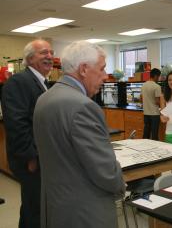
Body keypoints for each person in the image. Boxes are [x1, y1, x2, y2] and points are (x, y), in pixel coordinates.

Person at [33, 41, 125, 228]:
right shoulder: (83, 106)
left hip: (56, 206)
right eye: (102, 69)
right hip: (86, 212)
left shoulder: (44, 98)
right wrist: (121, 185)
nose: (105, 76)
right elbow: (106, 172)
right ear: (84, 69)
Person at [1, 39, 53, 228]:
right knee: (34, 210)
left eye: (51, 52)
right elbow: (16, 124)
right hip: (32, 161)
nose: (49, 57)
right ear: (30, 58)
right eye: (43, 53)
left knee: (35, 208)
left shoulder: (43, 83)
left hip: (41, 158)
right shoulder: (19, 82)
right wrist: (30, 158)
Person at [141, 68, 161, 140]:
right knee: (154, 134)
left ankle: (144, 149)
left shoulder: (143, 85)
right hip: (155, 114)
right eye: (158, 77)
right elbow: (157, 101)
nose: (159, 78)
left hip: (146, 113)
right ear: (155, 76)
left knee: (146, 133)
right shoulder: (157, 86)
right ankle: (155, 149)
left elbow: (141, 98)